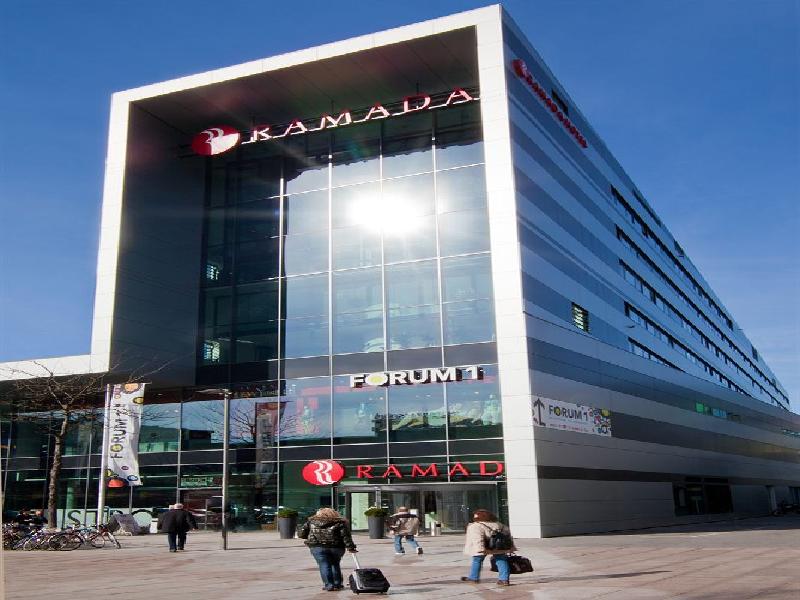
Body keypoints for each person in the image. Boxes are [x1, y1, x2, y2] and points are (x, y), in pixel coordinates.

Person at [298, 507, 358, 592]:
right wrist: (351, 547)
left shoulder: (311, 522)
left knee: (324, 565)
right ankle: (337, 584)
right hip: (336, 547)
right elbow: (346, 537)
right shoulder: (340, 523)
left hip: (317, 547)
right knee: (335, 564)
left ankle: (329, 585)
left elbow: (301, 534)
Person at [461, 509, 516, 586]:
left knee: (477, 560)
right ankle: (504, 580)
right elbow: (507, 537)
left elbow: (478, 539)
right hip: (498, 546)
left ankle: (473, 578)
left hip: (485, 547)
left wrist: (480, 549)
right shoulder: (499, 524)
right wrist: (510, 548)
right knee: (501, 560)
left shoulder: (476, 526)